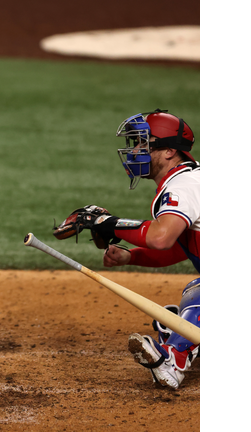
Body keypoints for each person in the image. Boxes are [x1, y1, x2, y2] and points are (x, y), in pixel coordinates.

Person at [55, 109, 200, 390]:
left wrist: (106, 223)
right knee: (197, 289)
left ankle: (174, 358)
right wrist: (132, 255)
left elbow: (161, 237)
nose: (135, 151)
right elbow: (184, 247)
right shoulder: (190, 180)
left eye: (144, 144)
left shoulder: (183, 186)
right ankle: (188, 329)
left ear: (170, 150)